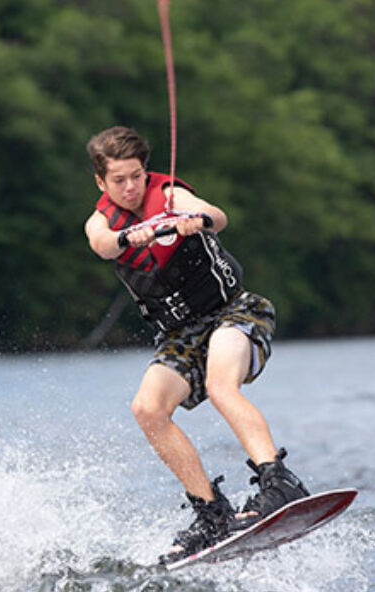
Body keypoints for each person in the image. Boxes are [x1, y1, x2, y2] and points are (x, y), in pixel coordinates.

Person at [83, 126, 309, 564]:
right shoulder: (101, 221)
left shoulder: (168, 195)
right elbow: (104, 245)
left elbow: (215, 214)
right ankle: (211, 512)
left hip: (234, 314)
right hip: (179, 337)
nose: (131, 188)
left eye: (136, 176)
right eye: (119, 181)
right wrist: (133, 236)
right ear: (101, 182)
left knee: (221, 384)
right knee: (147, 408)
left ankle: (278, 481)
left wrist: (196, 221)